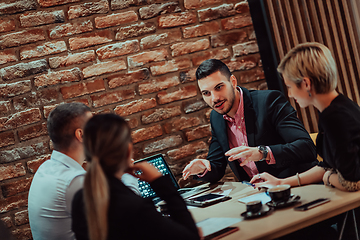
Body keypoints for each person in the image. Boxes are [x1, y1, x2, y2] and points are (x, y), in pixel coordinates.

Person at [182, 59, 317, 184]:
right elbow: (216, 167)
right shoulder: (216, 117)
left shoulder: (269, 101)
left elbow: (306, 147)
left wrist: (263, 153)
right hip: (258, 195)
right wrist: (203, 168)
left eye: (219, 87)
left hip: (297, 185)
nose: (214, 98)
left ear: (233, 82)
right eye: (206, 93)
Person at [250, 42, 360, 192]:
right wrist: (280, 182)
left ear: (306, 83)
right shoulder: (336, 108)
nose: (289, 94)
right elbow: (327, 165)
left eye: (289, 87)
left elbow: (352, 183)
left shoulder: (334, 118)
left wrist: (327, 177)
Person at [71, 114, 200, 240]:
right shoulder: (135, 207)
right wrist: (160, 183)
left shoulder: (79, 200)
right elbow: (192, 236)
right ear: (128, 150)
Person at [28, 102, 139, 240]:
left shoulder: (45, 168)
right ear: (80, 134)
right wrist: (127, 174)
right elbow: (127, 218)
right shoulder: (74, 181)